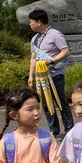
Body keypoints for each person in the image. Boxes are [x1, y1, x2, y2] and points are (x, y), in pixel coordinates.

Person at [28, 9, 73, 138]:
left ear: (39, 21)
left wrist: (51, 60)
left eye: (32, 22)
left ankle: (69, 129)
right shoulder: (35, 39)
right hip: (41, 77)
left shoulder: (55, 35)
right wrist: (31, 75)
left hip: (56, 74)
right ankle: (54, 130)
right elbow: (33, 58)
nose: (30, 24)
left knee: (61, 102)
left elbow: (65, 51)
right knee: (46, 103)